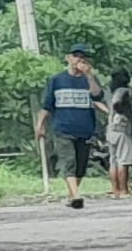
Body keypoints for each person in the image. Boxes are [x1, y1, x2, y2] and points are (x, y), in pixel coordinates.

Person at [38, 49, 104, 208]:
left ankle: (71, 195)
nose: (78, 60)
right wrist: (39, 125)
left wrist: (89, 76)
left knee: (81, 165)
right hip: (63, 128)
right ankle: (76, 196)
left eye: (82, 58)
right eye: (75, 56)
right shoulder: (56, 80)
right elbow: (46, 105)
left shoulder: (89, 80)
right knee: (69, 161)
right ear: (68, 58)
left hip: (85, 129)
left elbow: (97, 96)